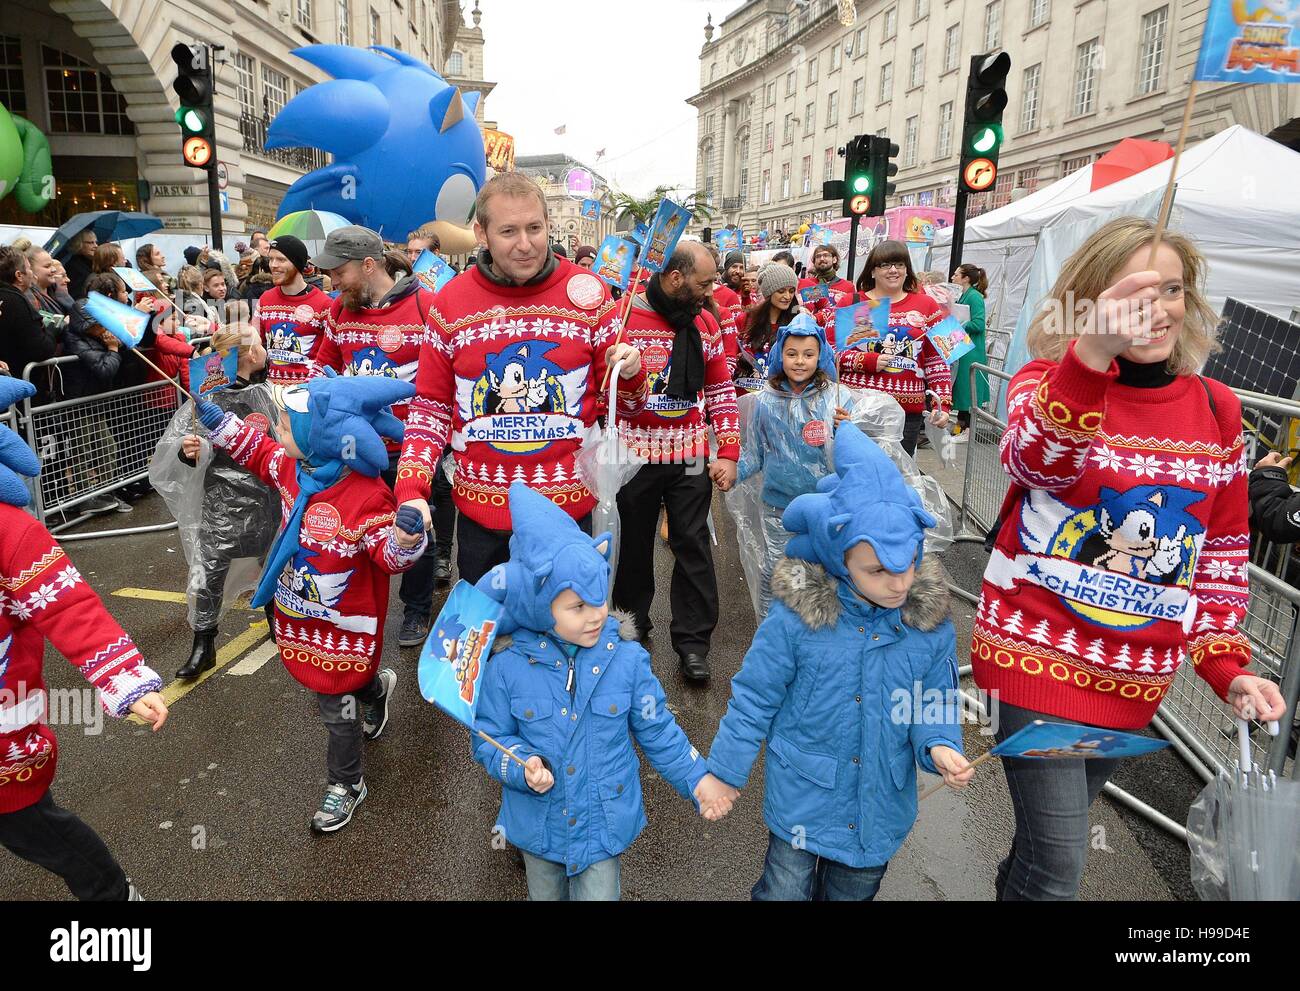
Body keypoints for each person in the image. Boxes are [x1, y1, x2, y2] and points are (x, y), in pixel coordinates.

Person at [978, 216, 1287, 901]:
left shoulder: (1217, 409)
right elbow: (1036, 460)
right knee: (1060, 870)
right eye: (1134, 292)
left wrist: (1227, 667)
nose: (1158, 307)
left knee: (1039, 853)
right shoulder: (1045, 379)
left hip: (1133, 681)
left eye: (1172, 289)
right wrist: (1088, 358)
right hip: (1035, 660)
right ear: (1088, 303)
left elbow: (1220, 556)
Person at [707, 421, 972, 901]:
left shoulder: (928, 625)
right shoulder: (797, 620)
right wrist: (725, 774)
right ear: (837, 558)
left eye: (908, 564)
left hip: (879, 806)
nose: (898, 583)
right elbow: (754, 697)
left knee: (852, 894)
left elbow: (934, 699)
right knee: (783, 892)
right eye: (878, 570)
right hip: (802, 800)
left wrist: (939, 744)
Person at [471, 482, 734, 900]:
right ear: (540, 607)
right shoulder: (505, 668)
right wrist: (520, 765)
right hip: (537, 828)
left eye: (598, 600)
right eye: (577, 607)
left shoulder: (626, 661)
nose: (595, 616)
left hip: (602, 827)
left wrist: (698, 779)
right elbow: (488, 739)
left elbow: (657, 730)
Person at [196, 374, 428, 833]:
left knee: (334, 705)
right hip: (299, 614)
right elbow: (256, 449)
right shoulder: (291, 468)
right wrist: (216, 420)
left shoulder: (368, 495)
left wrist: (407, 537)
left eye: (285, 426)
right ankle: (376, 690)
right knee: (346, 687)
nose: (277, 434)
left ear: (319, 439)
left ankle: (346, 784)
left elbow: (388, 557)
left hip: (346, 625)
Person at [391, 172, 644, 587]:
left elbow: (628, 408)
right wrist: (412, 487)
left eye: (535, 228)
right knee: (488, 645)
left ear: (548, 224)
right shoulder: (451, 302)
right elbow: (431, 409)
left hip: (567, 517)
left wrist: (631, 374)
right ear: (481, 234)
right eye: (508, 231)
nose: (525, 244)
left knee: (565, 643)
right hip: (482, 523)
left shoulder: (593, 293)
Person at [0, 377, 168, 900]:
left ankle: (114, 900)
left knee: (37, 832)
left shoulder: (13, 532)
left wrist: (127, 681)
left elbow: (71, 609)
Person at [312, 226, 452, 645]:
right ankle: (361, 611)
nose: (332, 282)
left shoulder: (426, 307)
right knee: (357, 532)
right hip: (354, 451)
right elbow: (324, 366)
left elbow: (447, 378)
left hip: (412, 449)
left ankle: (416, 610)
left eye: (338, 273)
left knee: (413, 529)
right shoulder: (338, 312)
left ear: (368, 265)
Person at [612, 242, 740, 683]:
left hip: (688, 453)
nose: (711, 292)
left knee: (692, 544)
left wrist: (727, 450)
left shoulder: (706, 322)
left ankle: (692, 643)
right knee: (633, 545)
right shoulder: (624, 318)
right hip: (634, 456)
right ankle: (631, 625)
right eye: (704, 283)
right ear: (674, 278)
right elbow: (606, 393)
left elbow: (722, 389)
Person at [151, 325, 281, 680]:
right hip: (221, 502)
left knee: (273, 564)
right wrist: (189, 450)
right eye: (259, 344)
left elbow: (283, 442)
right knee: (207, 573)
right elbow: (180, 448)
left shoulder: (267, 393)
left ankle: (279, 622)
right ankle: (203, 643)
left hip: (265, 497)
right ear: (250, 354)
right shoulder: (207, 400)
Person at [735, 313, 849, 615]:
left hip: (825, 508)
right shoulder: (765, 402)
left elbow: (849, 456)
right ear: (779, 356)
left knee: (824, 576)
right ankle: (772, 638)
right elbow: (755, 454)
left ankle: (819, 639)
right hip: (779, 509)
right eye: (792, 353)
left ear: (821, 356)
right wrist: (731, 471)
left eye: (809, 354)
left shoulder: (836, 400)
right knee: (777, 574)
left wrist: (846, 429)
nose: (800, 361)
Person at [840, 240, 951, 455]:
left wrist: (943, 404)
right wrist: (868, 361)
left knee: (897, 480)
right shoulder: (853, 301)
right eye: (885, 265)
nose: (893, 270)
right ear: (872, 271)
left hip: (906, 414)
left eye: (900, 264)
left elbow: (940, 360)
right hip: (858, 409)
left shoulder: (927, 304)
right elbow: (831, 355)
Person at [252, 235, 332, 387]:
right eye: (271, 259)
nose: (273, 265)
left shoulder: (324, 304)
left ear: (297, 263)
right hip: (272, 393)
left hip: (307, 393)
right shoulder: (265, 299)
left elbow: (331, 356)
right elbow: (253, 342)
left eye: (281, 260)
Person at [734, 262, 802, 396]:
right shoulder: (745, 320)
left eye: (791, 291)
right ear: (769, 293)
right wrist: (740, 360)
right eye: (781, 291)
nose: (787, 296)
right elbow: (729, 356)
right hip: (744, 394)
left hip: (779, 396)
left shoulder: (796, 323)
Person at [0, 247, 59, 379]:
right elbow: (40, 349)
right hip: (21, 383)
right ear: (19, 276)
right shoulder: (17, 301)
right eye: (29, 268)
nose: (32, 273)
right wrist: (52, 330)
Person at [949, 263, 989, 442]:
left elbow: (979, 324)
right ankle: (959, 427)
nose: (953, 277)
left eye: (956, 275)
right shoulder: (964, 295)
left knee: (967, 390)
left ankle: (967, 430)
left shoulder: (974, 297)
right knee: (961, 390)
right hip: (963, 348)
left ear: (966, 278)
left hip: (971, 350)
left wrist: (960, 323)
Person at [796, 243, 855, 327]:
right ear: (814, 262)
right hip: (811, 332)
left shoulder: (848, 286)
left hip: (835, 333)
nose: (822, 258)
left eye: (826, 255)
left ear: (834, 259)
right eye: (818, 256)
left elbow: (852, 314)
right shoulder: (806, 284)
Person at [64, 230, 98, 299]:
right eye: (90, 243)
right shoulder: (73, 267)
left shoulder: (92, 262)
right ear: (79, 244)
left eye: (96, 242)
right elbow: (75, 294)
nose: (96, 246)